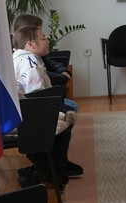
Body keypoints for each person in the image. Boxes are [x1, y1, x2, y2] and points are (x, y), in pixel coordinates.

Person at [12, 26, 81, 186]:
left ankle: (49, 170)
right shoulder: (29, 63)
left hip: (21, 113)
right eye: (43, 38)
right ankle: (45, 172)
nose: (47, 41)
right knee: (64, 126)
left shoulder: (20, 58)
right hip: (25, 119)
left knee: (64, 119)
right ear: (30, 44)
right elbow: (38, 98)